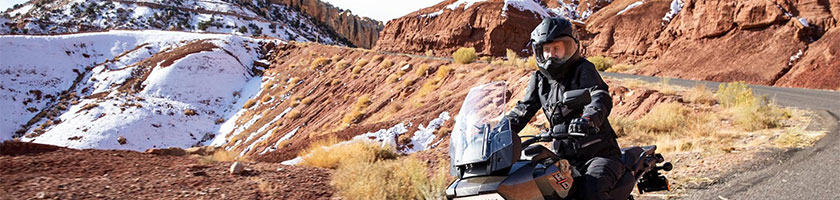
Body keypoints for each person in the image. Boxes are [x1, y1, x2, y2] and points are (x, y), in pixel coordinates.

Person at [503, 17, 623, 200]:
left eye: (557, 49)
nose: (551, 55)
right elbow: (524, 109)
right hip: (563, 157)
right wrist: (498, 132)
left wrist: (588, 119)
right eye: (547, 50)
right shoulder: (539, 79)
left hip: (599, 154)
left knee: (592, 189)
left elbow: (599, 96)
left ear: (570, 47)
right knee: (534, 185)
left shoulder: (583, 69)